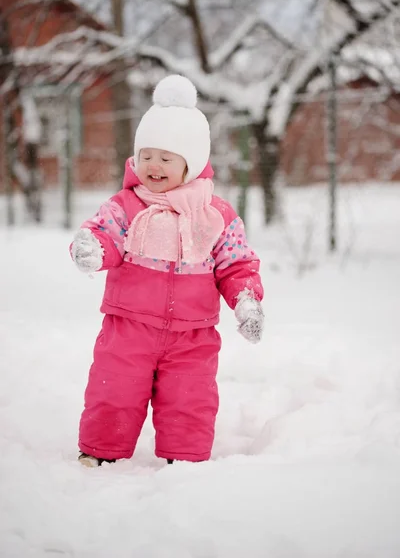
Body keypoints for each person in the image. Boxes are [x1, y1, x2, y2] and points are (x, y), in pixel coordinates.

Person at [70, 74, 264, 467]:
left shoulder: (217, 215)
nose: (153, 165)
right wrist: (90, 248)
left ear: (191, 164)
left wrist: (246, 300)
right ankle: (100, 452)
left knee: (191, 398)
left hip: (193, 334)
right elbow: (102, 234)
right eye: (146, 155)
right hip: (128, 326)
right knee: (114, 389)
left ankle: (186, 460)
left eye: (166, 157)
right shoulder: (126, 206)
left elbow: (236, 262)